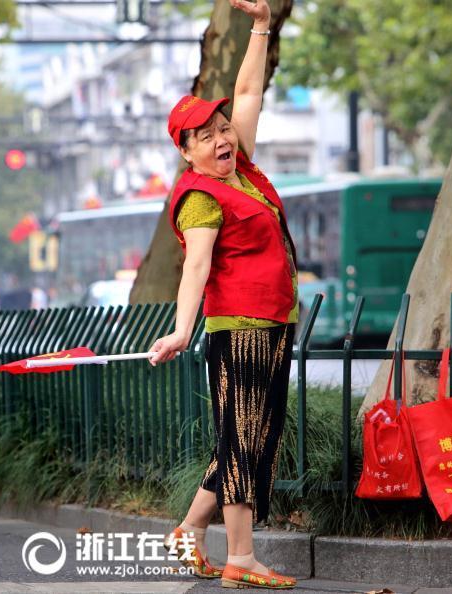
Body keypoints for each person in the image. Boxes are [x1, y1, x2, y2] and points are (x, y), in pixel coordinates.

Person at [149, 0, 300, 588]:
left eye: (221, 129)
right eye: (204, 136)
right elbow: (196, 268)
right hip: (237, 329)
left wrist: (261, 26)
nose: (220, 137)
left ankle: (188, 532)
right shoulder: (201, 196)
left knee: (249, 438)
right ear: (185, 151)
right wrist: (183, 329)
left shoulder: (246, 173)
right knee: (242, 445)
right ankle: (241, 558)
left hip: (272, 324)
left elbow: (249, 94)